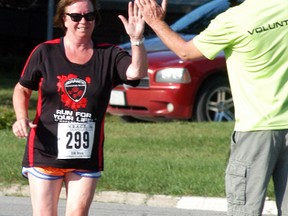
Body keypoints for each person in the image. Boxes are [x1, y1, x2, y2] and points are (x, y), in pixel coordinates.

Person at [135, 0, 288, 215]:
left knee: (244, 210)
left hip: (256, 130)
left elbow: (186, 52)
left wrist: (155, 22)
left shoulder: (233, 19)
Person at [12, 0, 147, 215]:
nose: (83, 21)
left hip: (85, 154)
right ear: (63, 19)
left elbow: (135, 73)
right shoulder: (44, 52)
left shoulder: (109, 55)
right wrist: (21, 117)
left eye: (89, 16)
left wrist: (136, 40)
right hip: (45, 150)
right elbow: (22, 89)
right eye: (76, 16)